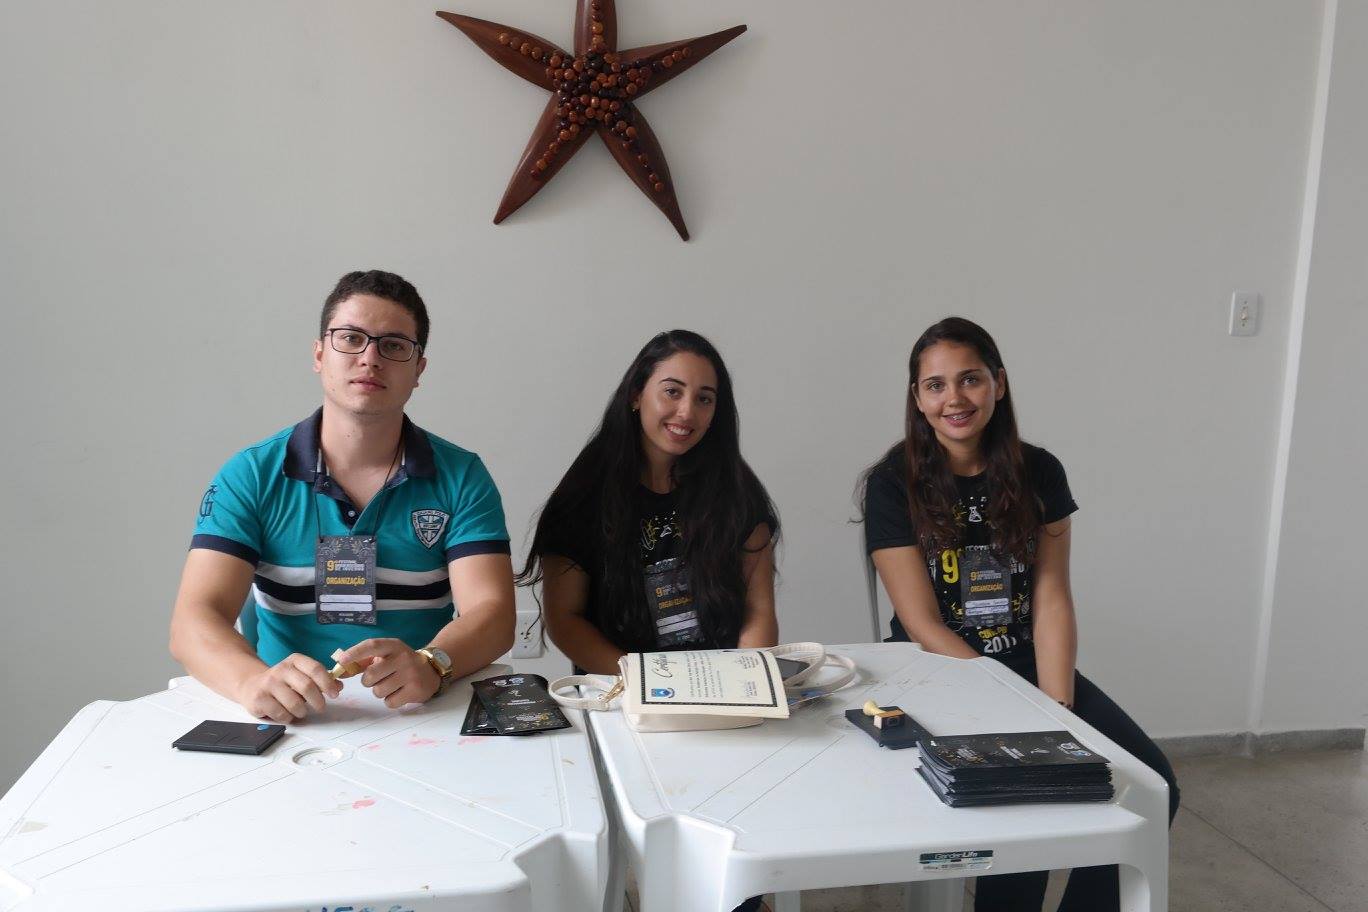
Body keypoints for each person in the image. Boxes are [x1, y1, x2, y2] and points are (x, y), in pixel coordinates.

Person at [861, 317, 1179, 912]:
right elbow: (923, 624)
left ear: (999, 384)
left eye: (970, 379)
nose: (954, 398)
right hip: (940, 676)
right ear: (917, 398)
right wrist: (1016, 706)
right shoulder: (891, 484)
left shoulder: (1040, 471)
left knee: (1151, 787)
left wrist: (1056, 708)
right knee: (1022, 807)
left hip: (1033, 669)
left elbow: (1052, 597)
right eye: (935, 385)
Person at [170, 270, 515, 723]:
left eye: (394, 346)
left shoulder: (462, 476)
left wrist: (433, 664)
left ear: (418, 369)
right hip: (290, 715)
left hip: (419, 711)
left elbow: (492, 613)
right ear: (319, 354)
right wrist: (250, 681)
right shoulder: (250, 475)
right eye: (351, 338)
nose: (370, 358)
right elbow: (194, 620)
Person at [520, 329, 780, 672]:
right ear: (636, 395)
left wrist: (744, 679)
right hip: (622, 687)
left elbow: (758, 611)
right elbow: (565, 620)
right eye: (672, 392)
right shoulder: (583, 496)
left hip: (721, 684)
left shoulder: (736, 490)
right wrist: (646, 683)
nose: (687, 412)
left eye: (704, 399)